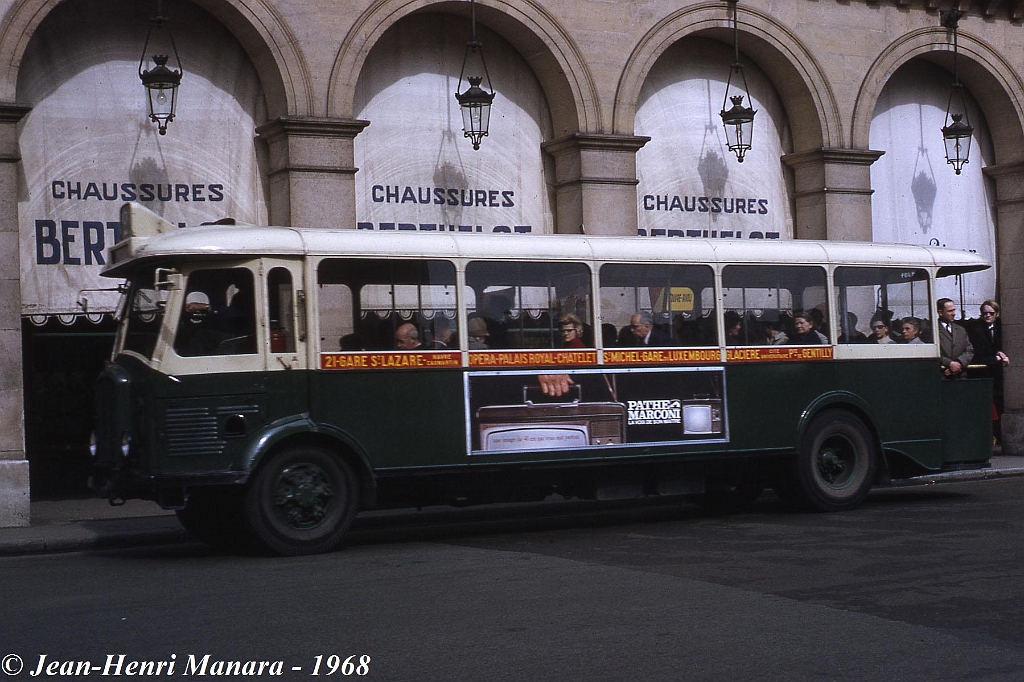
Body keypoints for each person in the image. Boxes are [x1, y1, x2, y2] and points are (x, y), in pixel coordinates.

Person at [969, 300, 1010, 445]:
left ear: (997, 314)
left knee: (999, 404)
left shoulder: (1001, 328)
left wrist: (1000, 353)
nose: (987, 316)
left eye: (991, 313)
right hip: (983, 374)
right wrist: (996, 358)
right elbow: (978, 355)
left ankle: (999, 436)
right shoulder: (976, 331)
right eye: (984, 313)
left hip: (997, 374)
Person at [937, 298, 973, 378]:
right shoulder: (933, 330)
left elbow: (969, 350)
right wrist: (949, 363)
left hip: (961, 376)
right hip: (942, 375)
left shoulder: (961, 330)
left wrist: (959, 363)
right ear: (940, 313)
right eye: (950, 311)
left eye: (954, 310)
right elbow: (931, 352)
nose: (953, 314)